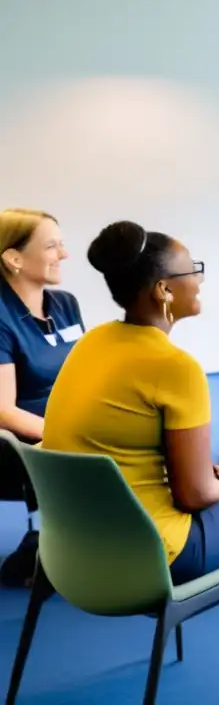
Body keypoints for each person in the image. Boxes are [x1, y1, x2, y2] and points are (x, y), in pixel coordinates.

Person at [42, 221, 219, 583]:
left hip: (76, 549)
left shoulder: (93, 342)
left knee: (213, 461)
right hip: (157, 556)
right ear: (164, 290)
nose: (199, 280)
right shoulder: (176, 368)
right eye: (192, 270)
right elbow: (194, 495)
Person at [0, 208, 83, 527]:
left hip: (66, 428)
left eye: (61, 244)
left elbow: (85, 374)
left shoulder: (65, 304)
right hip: (16, 442)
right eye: (51, 246)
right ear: (14, 259)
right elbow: (4, 412)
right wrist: (72, 436)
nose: (64, 254)